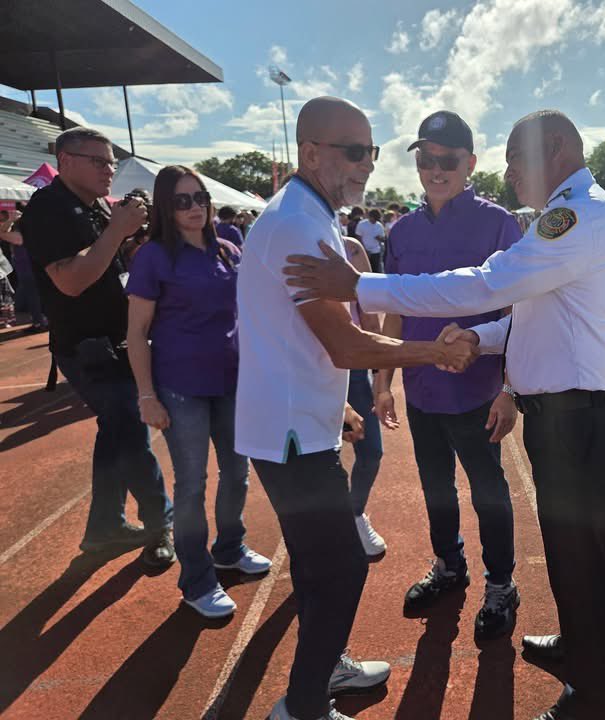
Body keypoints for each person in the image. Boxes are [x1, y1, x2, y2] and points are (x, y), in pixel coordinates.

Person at [283, 109, 605, 720]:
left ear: (554, 150)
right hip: (567, 416)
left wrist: (360, 287)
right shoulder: (575, 211)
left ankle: (594, 697)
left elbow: (485, 284)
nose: (508, 172)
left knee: (582, 556)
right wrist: (486, 340)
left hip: (581, 419)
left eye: (514, 157)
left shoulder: (577, 214)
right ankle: (580, 650)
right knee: (565, 550)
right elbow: (533, 314)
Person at [236, 96, 476, 720]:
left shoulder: (307, 216)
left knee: (323, 566)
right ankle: (306, 705)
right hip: (289, 432)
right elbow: (344, 343)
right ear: (310, 153)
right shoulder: (296, 224)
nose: (367, 165)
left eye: (370, 151)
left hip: (296, 421)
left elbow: (298, 336)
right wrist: (435, 353)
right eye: (353, 152)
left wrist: (332, 406)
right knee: (341, 567)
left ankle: (323, 665)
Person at [374, 110, 522, 639]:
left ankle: (501, 583)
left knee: (488, 490)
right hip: (421, 388)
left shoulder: (499, 223)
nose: (436, 170)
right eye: (427, 159)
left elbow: (518, 311)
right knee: (436, 486)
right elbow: (392, 305)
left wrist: (510, 390)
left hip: (478, 389)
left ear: (470, 164)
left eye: (448, 160)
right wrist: (383, 379)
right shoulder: (403, 230)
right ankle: (449, 566)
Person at [19, 127, 174, 567]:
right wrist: (118, 230)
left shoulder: (89, 208)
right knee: (130, 431)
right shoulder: (49, 209)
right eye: (99, 162)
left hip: (114, 340)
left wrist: (127, 236)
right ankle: (160, 523)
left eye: (111, 162)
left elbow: (106, 265)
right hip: (87, 348)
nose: (110, 170)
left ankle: (104, 526)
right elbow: (70, 280)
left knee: (116, 433)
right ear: (66, 161)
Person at [126, 166, 272, 618]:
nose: (194, 207)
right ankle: (196, 580)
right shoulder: (152, 257)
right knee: (191, 485)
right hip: (181, 385)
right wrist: (146, 395)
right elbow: (136, 332)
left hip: (232, 381)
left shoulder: (228, 248)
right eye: (181, 201)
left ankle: (230, 547)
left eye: (200, 197)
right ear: (166, 208)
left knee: (237, 474)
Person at [342, 236, 387, 556]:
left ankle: (353, 515)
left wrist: (378, 376)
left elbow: (369, 316)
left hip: (354, 368)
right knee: (319, 458)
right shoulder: (287, 240)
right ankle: (324, 527)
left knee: (371, 451)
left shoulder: (352, 248)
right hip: (307, 373)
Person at [354, 208, 386, 272]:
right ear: (369, 216)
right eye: (373, 219)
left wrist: (380, 238)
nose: (374, 221)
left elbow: (383, 239)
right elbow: (358, 237)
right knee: (364, 270)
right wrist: (363, 249)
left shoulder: (379, 225)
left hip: (376, 251)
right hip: (364, 251)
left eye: (376, 219)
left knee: (375, 271)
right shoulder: (362, 224)